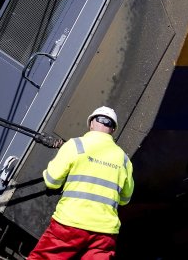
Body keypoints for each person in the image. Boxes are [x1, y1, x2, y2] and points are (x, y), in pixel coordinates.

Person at [29, 106, 134, 260]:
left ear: (91, 123)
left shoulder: (75, 145)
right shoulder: (124, 160)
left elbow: (52, 181)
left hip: (70, 224)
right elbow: (125, 199)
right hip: (104, 232)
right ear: (113, 130)